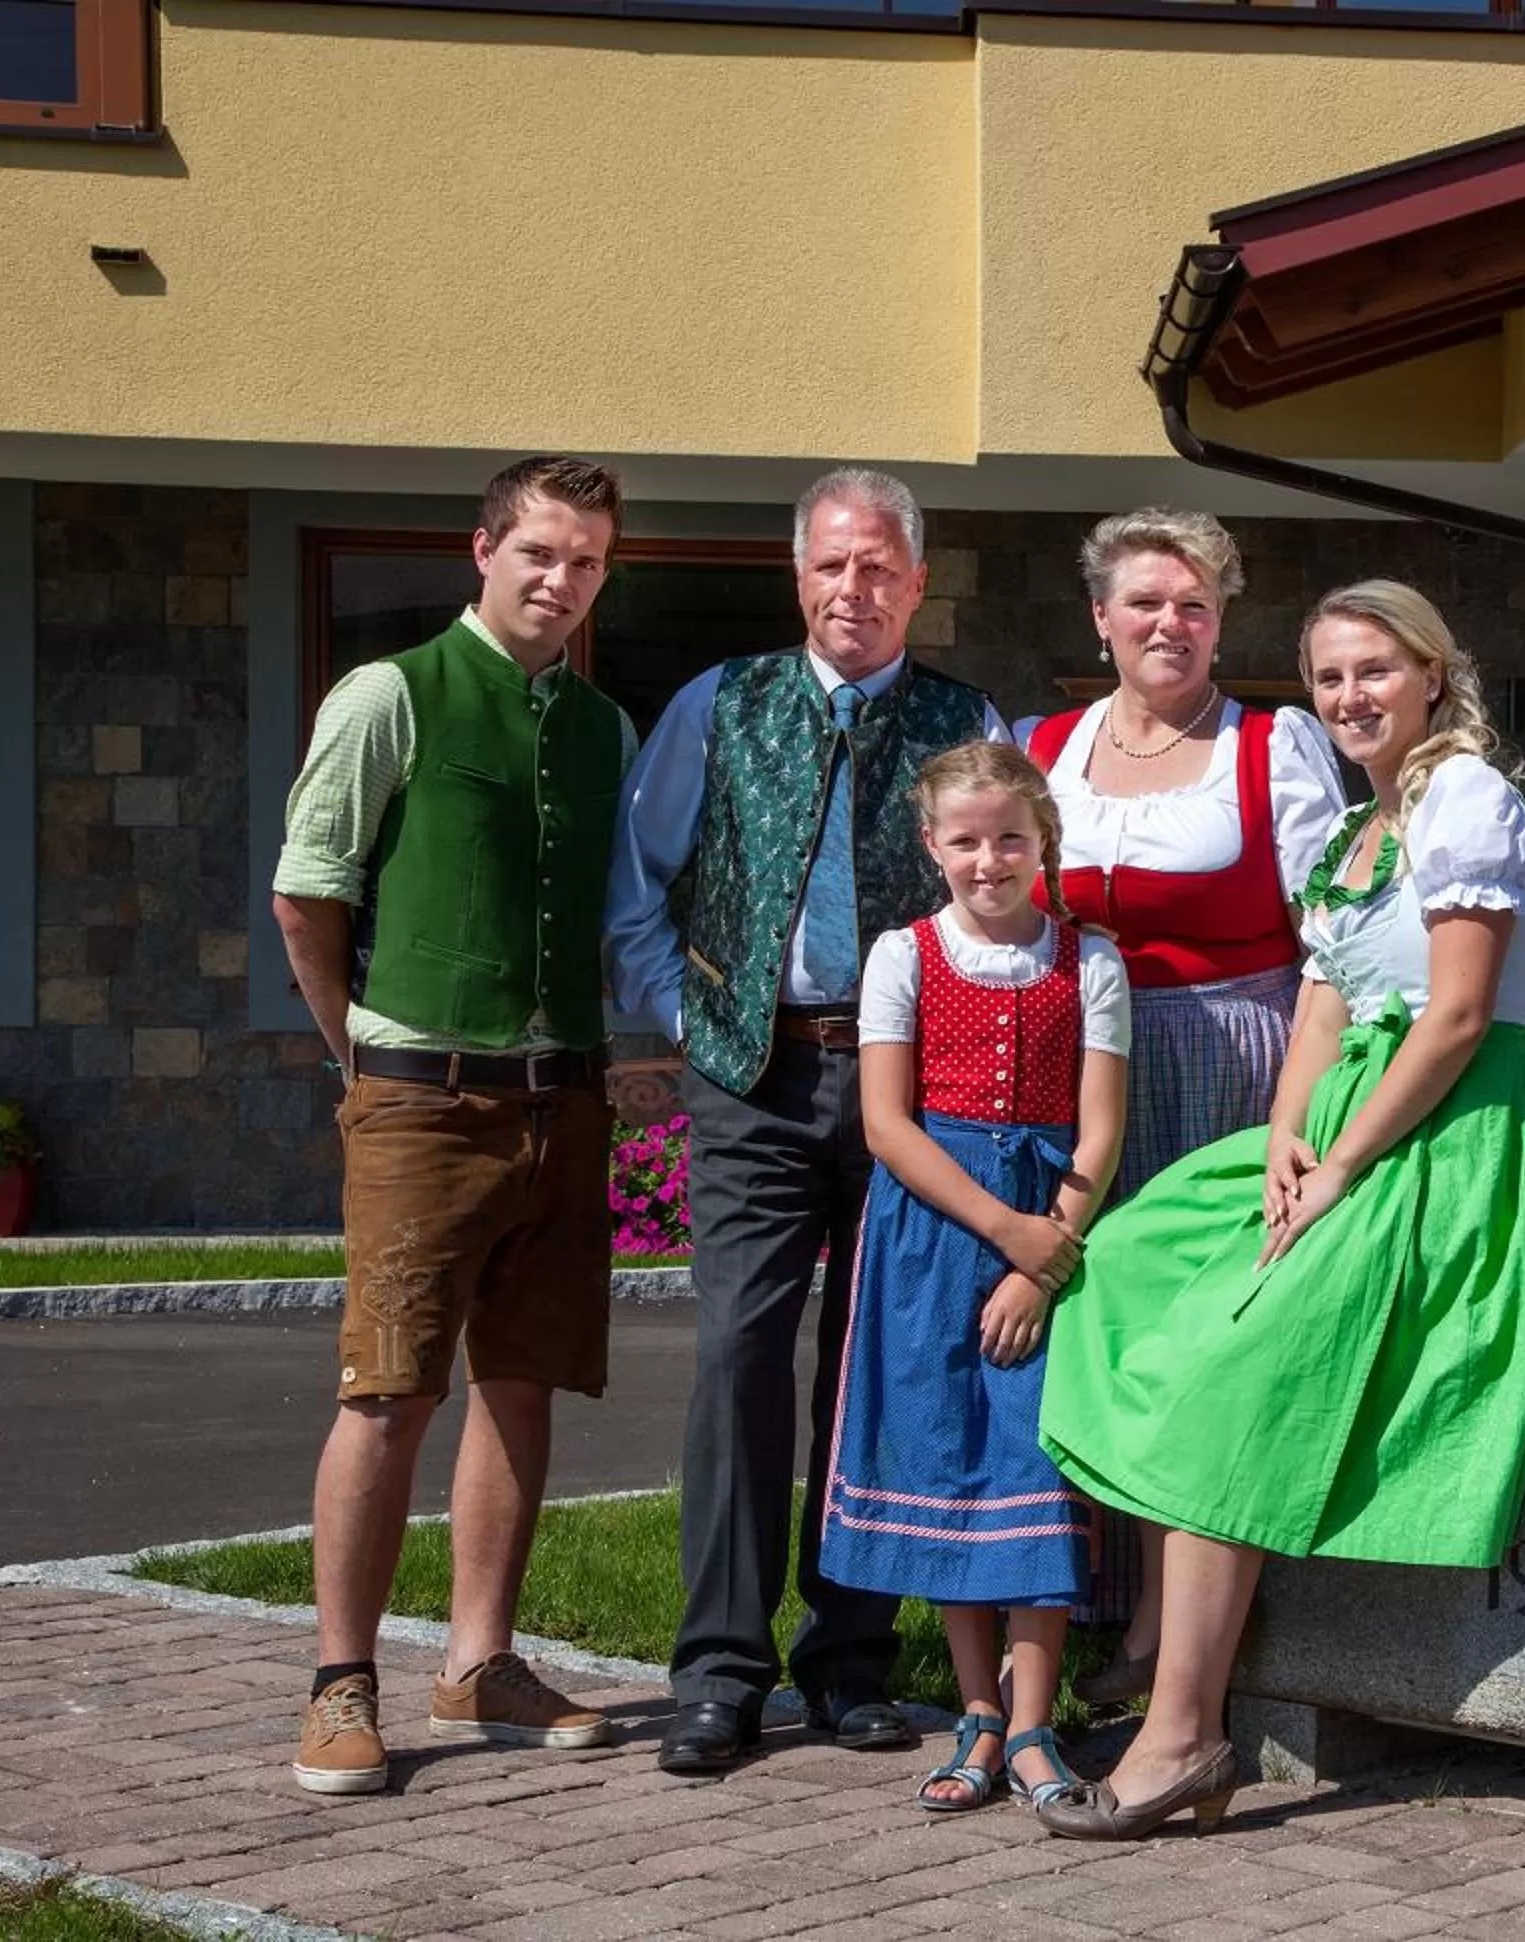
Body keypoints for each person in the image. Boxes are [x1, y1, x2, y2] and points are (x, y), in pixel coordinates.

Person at [1033, 580, 1525, 1839]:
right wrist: (1284, 1141)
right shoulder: (1354, 834)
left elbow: (1451, 1017)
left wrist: (1342, 1167)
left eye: (1373, 670)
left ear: (1434, 674)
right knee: (1128, 1262)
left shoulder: (1468, 801)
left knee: (1236, 1356)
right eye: (1327, 678)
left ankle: (1181, 1736)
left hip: (1448, 1128)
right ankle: (1159, 1637)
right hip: (1341, 1120)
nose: (1348, 698)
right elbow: (1320, 1012)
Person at [605, 468, 1023, 1778]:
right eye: (835, 566)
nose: (858, 589)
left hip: (913, 1086)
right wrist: (689, 1018)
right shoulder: (720, 703)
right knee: (738, 1352)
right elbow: (641, 887)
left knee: (877, 1363)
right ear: (800, 577)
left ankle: (849, 1659)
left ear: (917, 581)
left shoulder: (966, 722)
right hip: (756, 1074)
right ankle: (719, 1670)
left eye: (883, 567)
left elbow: (1008, 895)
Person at [270, 455, 633, 1797]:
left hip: (563, 1094)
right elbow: (309, 890)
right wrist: (358, 1047)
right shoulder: (391, 692)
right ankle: (339, 1677)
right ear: (481, 548)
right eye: (539, 549)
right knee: (388, 1385)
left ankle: (483, 1658)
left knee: (522, 1378)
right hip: (423, 1093)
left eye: (587, 558)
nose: (561, 577)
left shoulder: (603, 728)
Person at [1020, 508, 1346, 1699]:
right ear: (1101, 619)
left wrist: (1300, 1109)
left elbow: (1337, 949)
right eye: (1147, 601)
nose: (1172, 621)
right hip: (1080, 1067)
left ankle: (1171, 1632)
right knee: (1095, 1322)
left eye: (1196, 604)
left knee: (1203, 1335)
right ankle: (1088, 1607)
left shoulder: (1273, 746)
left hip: (1234, 1060)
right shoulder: (1043, 742)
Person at [817, 742, 1130, 1814]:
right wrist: (1001, 1226)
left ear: (1044, 836)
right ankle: (978, 1715)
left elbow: (1102, 1123)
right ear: (931, 847)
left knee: (1032, 1469)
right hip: (933, 1231)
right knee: (949, 1461)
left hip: (1051, 1229)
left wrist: (1047, 1253)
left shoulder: (1089, 959)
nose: (988, 859)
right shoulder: (902, 954)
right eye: (965, 840)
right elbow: (885, 1122)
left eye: (1009, 837)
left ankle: (1036, 1721)